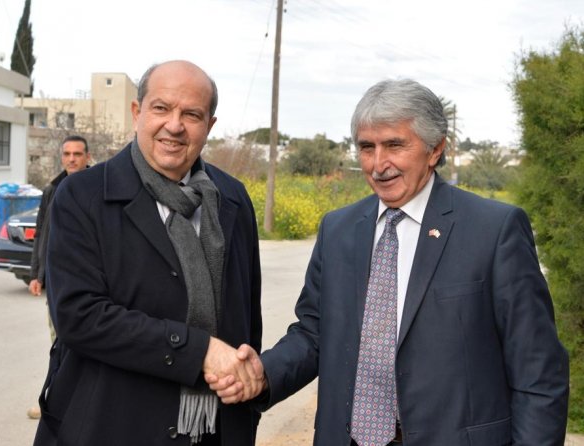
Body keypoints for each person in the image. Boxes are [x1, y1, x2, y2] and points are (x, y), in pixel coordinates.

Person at [209, 79, 570, 445]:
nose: (379, 164)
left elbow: (538, 370)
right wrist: (264, 373)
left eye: (395, 145)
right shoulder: (338, 229)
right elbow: (314, 333)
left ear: (435, 149)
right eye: (367, 147)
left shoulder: (493, 230)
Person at [33, 60, 263, 446]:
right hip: (111, 426)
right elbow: (78, 316)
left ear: (209, 125)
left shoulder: (232, 198)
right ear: (137, 112)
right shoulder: (82, 196)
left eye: (191, 114)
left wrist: (246, 401)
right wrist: (198, 351)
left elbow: (246, 317)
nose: (174, 125)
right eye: (161, 108)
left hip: (216, 428)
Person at [26, 135, 91, 420]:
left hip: (88, 281)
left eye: (77, 154)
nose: (72, 159)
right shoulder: (52, 189)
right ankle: (56, 400)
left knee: (83, 343)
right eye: (67, 154)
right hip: (56, 281)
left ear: (87, 157)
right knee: (58, 343)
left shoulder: (97, 187)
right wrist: (36, 274)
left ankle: (80, 403)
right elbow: (41, 232)